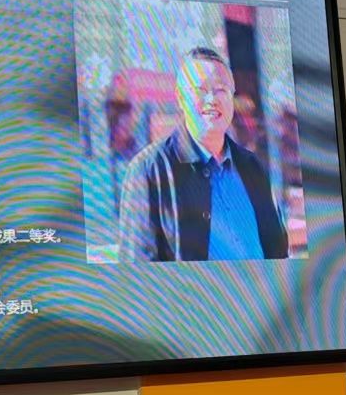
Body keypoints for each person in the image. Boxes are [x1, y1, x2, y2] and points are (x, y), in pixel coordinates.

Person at [117, 46, 288, 262]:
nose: (212, 99)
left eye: (221, 90)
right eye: (201, 90)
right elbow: (137, 269)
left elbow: (278, 248)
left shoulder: (252, 167)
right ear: (180, 98)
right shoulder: (148, 171)